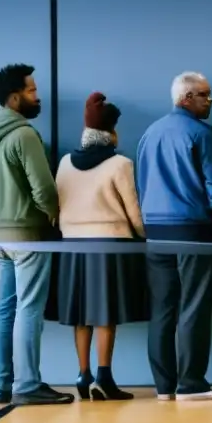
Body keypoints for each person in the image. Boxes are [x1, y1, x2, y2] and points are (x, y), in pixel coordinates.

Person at [0, 63, 73, 405]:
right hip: (28, 232)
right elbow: (43, 188)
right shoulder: (24, 134)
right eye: (31, 91)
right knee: (29, 307)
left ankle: (3, 384)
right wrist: (54, 214)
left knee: (4, 307)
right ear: (15, 98)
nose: (37, 96)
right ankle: (28, 384)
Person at [137, 72, 212, 401]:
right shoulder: (201, 134)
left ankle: (163, 387)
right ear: (186, 98)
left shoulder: (150, 133)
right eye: (205, 95)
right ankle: (191, 383)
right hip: (193, 228)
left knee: (162, 308)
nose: (210, 102)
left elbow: (141, 182)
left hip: (155, 232)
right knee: (194, 304)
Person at [56, 93, 146, 400]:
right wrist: (142, 234)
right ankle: (104, 377)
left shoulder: (65, 163)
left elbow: (57, 205)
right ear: (111, 134)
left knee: (81, 314)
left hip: (72, 246)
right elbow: (133, 208)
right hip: (110, 243)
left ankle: (83, 374)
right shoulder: (121, 164)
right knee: (105, 313)